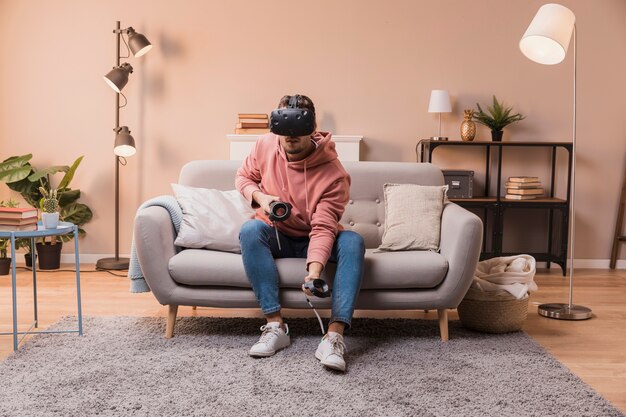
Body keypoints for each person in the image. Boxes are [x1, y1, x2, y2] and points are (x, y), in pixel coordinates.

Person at [235, 94, 365, 372]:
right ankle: (275, 327)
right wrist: (261, 197)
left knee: (353, 241)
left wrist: (314, 273)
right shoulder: (264, 145)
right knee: (250, 229)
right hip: (277, 234)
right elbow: (243, 177)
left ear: (312, 128)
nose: (289, 139)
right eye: (283, 133)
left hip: (314, 240)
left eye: (297, 133)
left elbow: (323, 226)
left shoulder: (334, 174)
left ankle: (333, 336)